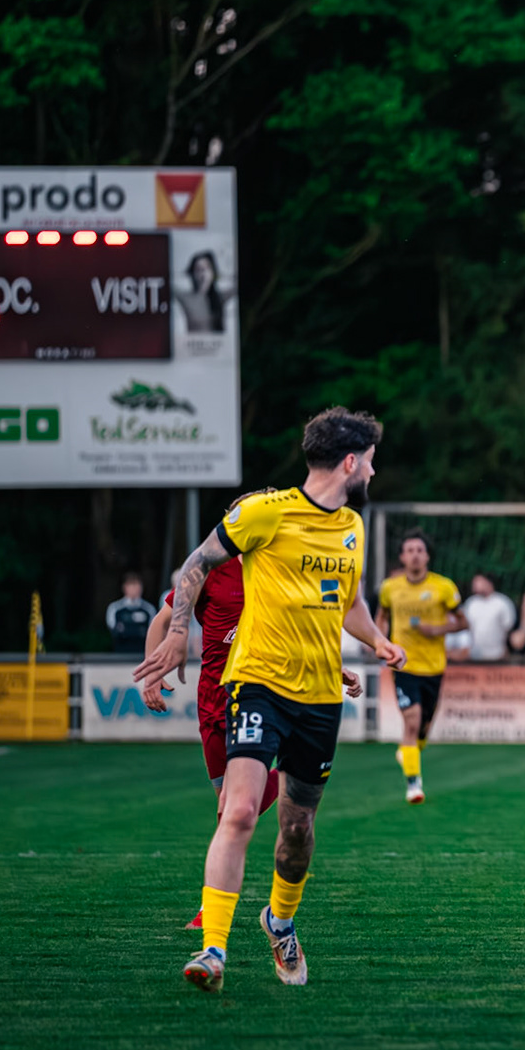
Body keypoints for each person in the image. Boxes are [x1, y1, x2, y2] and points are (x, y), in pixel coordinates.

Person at [134, 407, 406, 994]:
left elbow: (348, 601)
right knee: (236, 811)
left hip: (319, 699)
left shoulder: (352, 529)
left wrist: (378, 640)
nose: (374, 475)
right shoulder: (264, 511)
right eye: (372, 464)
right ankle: (213, 950)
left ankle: (278, 921)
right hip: (256, 684)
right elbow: (194, 566)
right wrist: (179, 629)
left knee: (297, 830)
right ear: (351, 462)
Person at [139, 492, 302, 929]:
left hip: (260, 697)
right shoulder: (208, 569)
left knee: (232, 807)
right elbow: (163, 618)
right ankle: (284, 782)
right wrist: (153, 673)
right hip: (212, 700)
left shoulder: (277, 567)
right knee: (224, 804)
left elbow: (306, 625)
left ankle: (212, 914)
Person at [375, 529, 466, 805]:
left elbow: (463, 622)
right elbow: (381, 617)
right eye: (409, 550)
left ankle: (409, 750)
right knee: (411, 722)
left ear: (427, 556)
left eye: (419, 550)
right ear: (402, 556)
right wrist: (379, 642)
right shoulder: (390, 588)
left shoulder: (444, 587)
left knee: (423, 728)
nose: (415, 555)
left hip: (434, 667)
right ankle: (413, 785)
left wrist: (435, 629)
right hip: (403, 665)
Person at [460, 572, 515, 663]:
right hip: (474, 656)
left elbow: (508, 628)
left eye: (478, 581)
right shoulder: (471, 603)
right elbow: (465, 627)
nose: (475, 585)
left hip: (497, 656)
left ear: (488, 583)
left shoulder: (502, 602)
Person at [107, 572, 156, 654]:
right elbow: (115, 631)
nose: (134, 589)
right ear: (124, 588)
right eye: (131, 585)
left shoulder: (149, 609)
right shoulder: (115, 608)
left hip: (141, 655)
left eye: (136, 585)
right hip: (120, 654)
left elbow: (152, 632)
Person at [179, 251, 226, 333]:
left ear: (213, 271)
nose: (203, 273)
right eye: (198, 269)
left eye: (207, 268)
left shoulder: (221, 296)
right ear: (192, 273)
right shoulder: (186, 298)